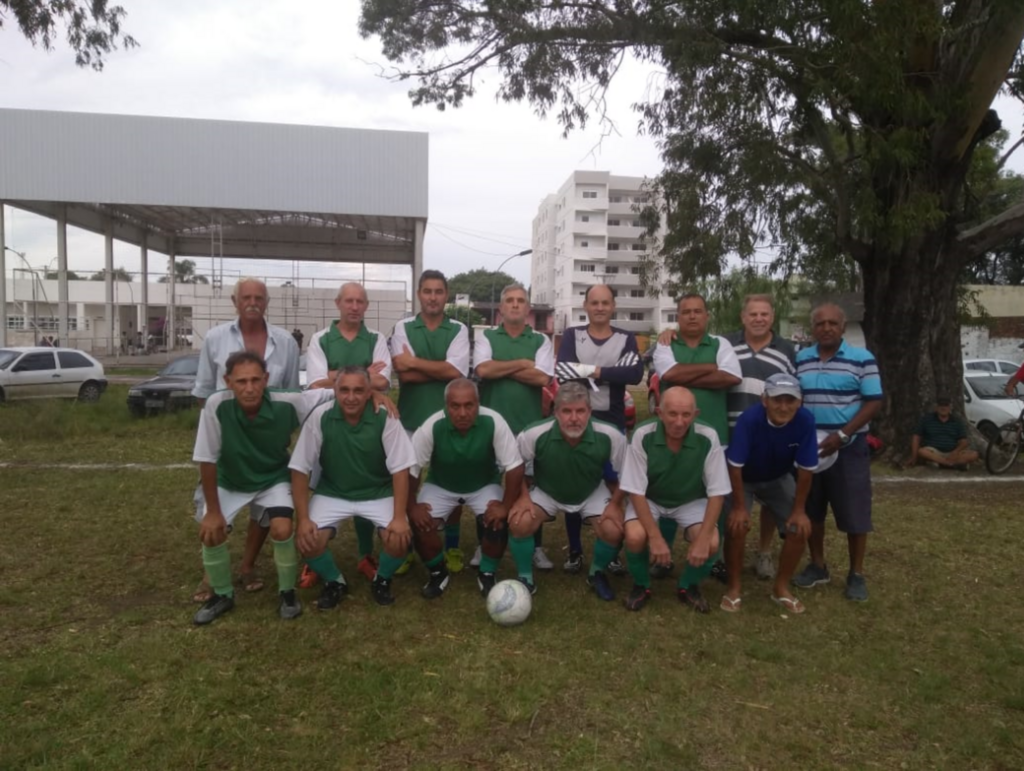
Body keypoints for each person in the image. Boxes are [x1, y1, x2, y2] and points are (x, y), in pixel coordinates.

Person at [190, 351, 333, 625]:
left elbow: (333, 394)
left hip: (273, 478)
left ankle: (287, 594)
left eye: (256, 380)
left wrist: (374, 393)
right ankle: (221, 595)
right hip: (230, 480)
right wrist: (213, 512)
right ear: (228, 381)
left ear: (266, 379)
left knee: (282, 527)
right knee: (211, 531)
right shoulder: (215, 404)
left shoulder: (288, 401)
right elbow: (207, 461)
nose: (250, 387)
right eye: (241, 381)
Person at [191, 277, 300, 603]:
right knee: (213, 514)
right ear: (234, 301)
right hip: (229, 438)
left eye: (259, 297)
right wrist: (218, 432)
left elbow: (291, 395)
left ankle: (248, 565)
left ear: (267, 302)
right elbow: (204, 391)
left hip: (268, 441)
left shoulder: (286, 343)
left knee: (267, 512)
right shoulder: (215, 338)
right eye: (246, 297)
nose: (253, 302)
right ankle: (212, 575)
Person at [289, 367, 416, 608]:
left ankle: (382, 579)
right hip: (333, 492)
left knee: (399, 540)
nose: (351, 397)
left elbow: (400, 470)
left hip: (378, 491)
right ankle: (335, 581)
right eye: (344, 390)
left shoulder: (385, 416)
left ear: (370, 392)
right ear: (335, 391)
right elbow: (299, 468)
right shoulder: (321, 416)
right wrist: (302, 519)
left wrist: (400, 517)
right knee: (308, 541)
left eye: (359, 390)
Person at [304, 282, 394, 584]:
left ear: (366, 306)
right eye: (349, 301)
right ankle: (315, 557)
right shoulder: (320, 339)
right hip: (327, 420)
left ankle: (366, 554)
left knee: (365, 479)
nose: (354, 306)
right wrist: (365, 375)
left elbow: (384, 382)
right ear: (338, 303)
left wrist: (336, 375)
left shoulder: (377, 338)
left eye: (360, 302)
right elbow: (315, 383)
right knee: (323, 477)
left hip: (366, 419)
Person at [794, 303, 883, 602]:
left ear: (843, 328)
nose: (827, 328)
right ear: (813, 329)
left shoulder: (862, 359)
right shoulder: (801, 359)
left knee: (854, 513)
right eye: (820, 324)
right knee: (812, 509)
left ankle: (856, 574)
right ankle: (818, 565)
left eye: (833, 323)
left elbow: (873, 401)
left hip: (848, 446)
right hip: (811, 447)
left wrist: (843, 434)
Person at [615, 387, 730, 613]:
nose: (679, 422)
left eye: (686, 415)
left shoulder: (708, 436)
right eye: (672, 414)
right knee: (636, 536)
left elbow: (717, 492)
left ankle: (689, 585)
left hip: (691, 500)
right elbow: (636, 491)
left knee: (712, 543)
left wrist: (703, 538)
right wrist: (656, 538)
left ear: (695, 414)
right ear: (659, 412)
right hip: (650, 498)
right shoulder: (642, 434)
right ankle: (641, 585)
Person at [408, 378, 526, 598]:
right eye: (455, 406)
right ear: (446, 406)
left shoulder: (494, 421)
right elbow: (411, 470)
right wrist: (412, 506)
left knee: (497, 521)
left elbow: (515, 467)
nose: (462, 413)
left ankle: (487, 573)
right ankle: (437, 572)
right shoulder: (432, 425)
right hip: (441, 485)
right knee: (421, 523)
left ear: (478, 404)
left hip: (483, 485)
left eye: (469, 405)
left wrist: (505, 505)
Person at [554, 284, 643, 574]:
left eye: (606, 302)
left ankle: (613, 550)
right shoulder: (572, 335)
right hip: (578, 419)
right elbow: (563, 371)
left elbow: (634, 373)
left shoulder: (625, 338)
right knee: (575, 479)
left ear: (613, 306)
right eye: (595, 302)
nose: (600, 307)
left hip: (613, 420)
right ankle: (575, 550)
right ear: (586, 305)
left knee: (615, 483)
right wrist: (609, 373)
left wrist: (591, 370)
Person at [509, 382, 628, 597]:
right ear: (556, 412)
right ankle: (524, 578)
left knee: (614, 530)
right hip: (547, 491)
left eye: (580, 411)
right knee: (520, 522)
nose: (574, 418)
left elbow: (627, 475)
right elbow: (513, 468)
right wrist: (523, 498)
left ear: (590, 411)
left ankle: (596, 573)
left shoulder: (611, 435)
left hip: (591, 490)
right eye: (567, 411)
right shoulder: (533, 434)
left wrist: (615, 503)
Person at [652, 293, 741, 579]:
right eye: (686, 311)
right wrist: (712, 368)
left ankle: (713, 556)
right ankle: (662, 557)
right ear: (677, 317)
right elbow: (669, 372)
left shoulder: (721, 344)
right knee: (667, 492)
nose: (692, 316)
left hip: (714, 436)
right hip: (671, 435)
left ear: (707, 315)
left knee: (716, 496)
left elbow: (731, 377)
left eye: (698, 311)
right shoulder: (666, 343)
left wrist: (681, 375)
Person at [390, 270, 470, 572]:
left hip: (449, 421)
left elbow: (457, 373)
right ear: (419, 294)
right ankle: (408, 546)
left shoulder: (459, 329)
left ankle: (452, 548)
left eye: (438, 291)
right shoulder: (403, 327)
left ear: (446, 296)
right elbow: (404, 373)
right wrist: (439, 368)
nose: (433, 297)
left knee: (451, 482)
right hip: (410, 419)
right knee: (408, 485)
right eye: (427, 291)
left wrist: (416, 363)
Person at [473, 282, 555, 571]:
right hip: (491, 425)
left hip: (528, 426)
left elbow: (543, 379)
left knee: (530, 487)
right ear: (501, 308)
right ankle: (483, 545)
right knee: (487, 485)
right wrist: (522, 363)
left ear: (528, 308)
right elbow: (483, 370)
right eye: (510, 300)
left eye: (521, 300)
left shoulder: (541, 341)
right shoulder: (487, 337)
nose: (516, 304)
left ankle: (535, 547)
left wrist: (501, 367)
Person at [723, 373, 818, 614]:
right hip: (743, 478)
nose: (783, 407)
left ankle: (781, 588)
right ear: (764, 400)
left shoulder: (806, 421)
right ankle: (733, 588)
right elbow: (735, 465)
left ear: (800, 402)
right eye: (777, 400)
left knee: (799, 528)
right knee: (737, 525)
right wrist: (739, 507)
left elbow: (807, 469)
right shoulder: (749, 419)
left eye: (790, 400)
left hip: (777, 478)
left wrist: (799, 511)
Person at [725, 294, 798, 581]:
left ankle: (764, 553)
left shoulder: (787, 350)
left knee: (771, 499)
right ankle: (725, 558)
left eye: (764, 314)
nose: (758, 319)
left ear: (772, 317)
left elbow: (795, 394)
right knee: (731, 507)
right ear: (743, 317)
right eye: (752, 314)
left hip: (771, 440)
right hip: (732, 439)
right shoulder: (726, 345)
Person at [907, 396, 979, 469]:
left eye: (946, 405)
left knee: (974, 454)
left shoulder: (957, 421)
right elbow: (916, 437)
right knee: (922, 451)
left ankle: (941, 463)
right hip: (934, 452)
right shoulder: (927, 419)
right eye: (941, 405)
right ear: (936, 407)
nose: (943, 408)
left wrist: (955, 452)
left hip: (952, 451)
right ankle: (948, 464)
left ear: (950, 407)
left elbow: (964, 442)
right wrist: (914, 457)